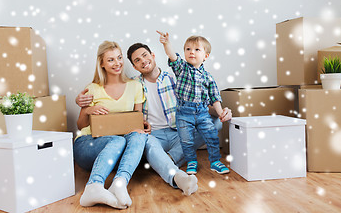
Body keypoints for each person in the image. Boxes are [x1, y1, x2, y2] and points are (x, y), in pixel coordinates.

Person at [76, 42, 232, 195]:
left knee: (215, 123)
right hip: (153, 136)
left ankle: (166, 160)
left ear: (153, 55)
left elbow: (201, 107)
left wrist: (221, 112)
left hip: (179, 131)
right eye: (137, 60)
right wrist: (84, 105)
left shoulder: (177, 78)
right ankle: (173, 172)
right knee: (141, 139)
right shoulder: (134, 84)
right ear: (134, 66)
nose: (143, 61)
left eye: (145, 55)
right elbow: (132, 117)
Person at [74, 41, 150, 209]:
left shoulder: (135, 86)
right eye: (110, 60)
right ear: (101, 63)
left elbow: (137, 119)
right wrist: (88, 110)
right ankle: (93, 186)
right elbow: (80, 126)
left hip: (116, 151)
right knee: (117, 141)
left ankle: (119, 184)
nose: (117, 63)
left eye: (119, 58)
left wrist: (143, 126)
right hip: (88, 144)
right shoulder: (92, 88)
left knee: (137, 136)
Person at [157, 31, 231, 175]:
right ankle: (191, 161)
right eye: (188, 49)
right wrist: (166, 44)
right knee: (186, 140)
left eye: (197, 49)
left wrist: (221, 112)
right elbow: (172, 56)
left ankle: (215, 161)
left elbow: (215, 97)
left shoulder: (208, 77)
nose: (192, 52)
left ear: (205, 56)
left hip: (202, 112)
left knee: (211, 136)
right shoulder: (181, 69)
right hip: (184, 113)